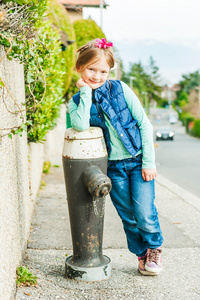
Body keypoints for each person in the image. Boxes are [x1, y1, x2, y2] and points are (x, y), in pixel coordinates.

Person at [66, 38, 164, 276]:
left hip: (138, 162)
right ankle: (141, 254)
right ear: (80, 68)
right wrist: (85, 92)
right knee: (128, 216)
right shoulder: (77, 101)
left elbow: (144, 124)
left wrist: (149, 162)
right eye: (91, 69)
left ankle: (154, 248)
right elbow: (79, 125)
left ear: (110, 72)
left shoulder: (121, 89)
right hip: (113, 168)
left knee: (144, 213)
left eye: (103, 71)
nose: (97, 76)